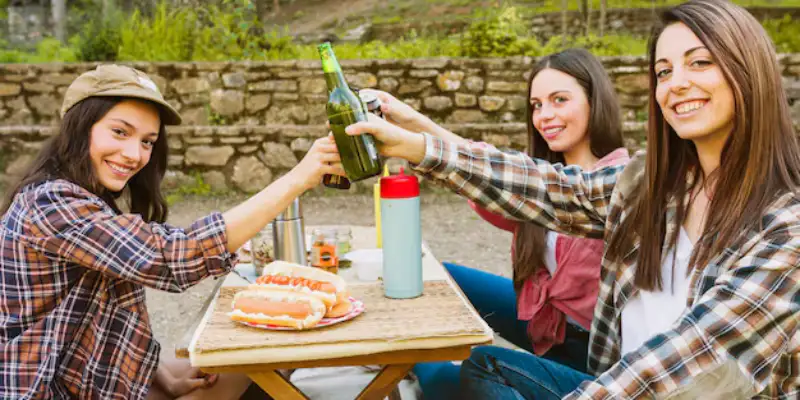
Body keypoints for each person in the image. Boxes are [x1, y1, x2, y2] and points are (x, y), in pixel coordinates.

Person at [346, 0, 800, 398]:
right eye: (663, 71)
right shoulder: (651, 184)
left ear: (748, 70)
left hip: (654, 388)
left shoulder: (786, 226)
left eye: (699, 63)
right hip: (611, 380)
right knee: (483, 364)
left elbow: (688, 355)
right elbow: (546, 187)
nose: (675, 83)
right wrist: (417, 144)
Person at [0, 65, 344, 399]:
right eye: (120, 132)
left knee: (255, 361)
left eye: (148, 141)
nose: (134, 154)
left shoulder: (86, 201)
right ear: (78, 127)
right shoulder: (50, 204)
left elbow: (100, 316)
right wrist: (301, 176)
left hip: (94, 383)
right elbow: (169, 256)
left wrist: (161, 377)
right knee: (265, 365)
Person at [365, 47, 630, 399]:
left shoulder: (622, 184)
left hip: (592, 352)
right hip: (547, 323)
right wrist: (413, 121)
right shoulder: (535, 179)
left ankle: (411, 366)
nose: (545, 115)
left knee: (455, 377)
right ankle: (406, 357)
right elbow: (484, 172)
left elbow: (490, 170)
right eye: (537, 105)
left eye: (559, 100)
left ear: (595, 102)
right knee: (436, 275)